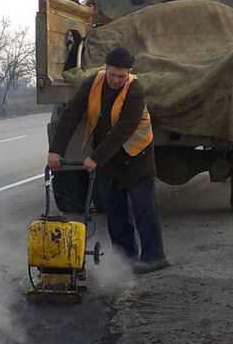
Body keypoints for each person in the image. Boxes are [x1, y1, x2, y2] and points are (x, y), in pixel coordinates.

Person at [47, 46, 169, 274]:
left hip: (136, 158)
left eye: (121, 76)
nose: (116, 80)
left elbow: (123, 130)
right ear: (106, 69)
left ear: (128, 74)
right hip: (108, 160)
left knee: (144, 208)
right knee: (114, 210)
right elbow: (71, 114)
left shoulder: (135, 90)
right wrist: (56, 150)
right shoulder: (93, 82)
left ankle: (155, 256)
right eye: (112, 74)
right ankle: (125, 257)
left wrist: (95, 158)